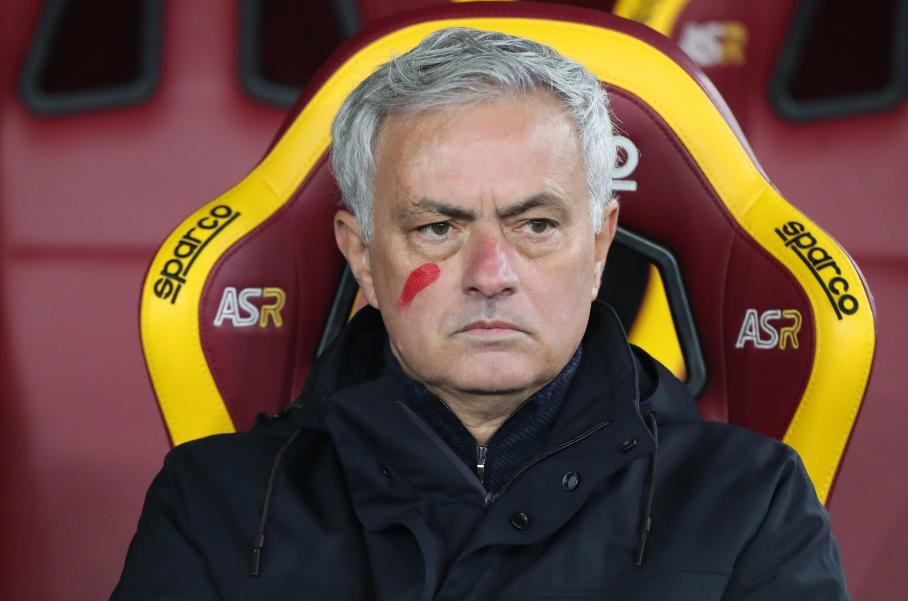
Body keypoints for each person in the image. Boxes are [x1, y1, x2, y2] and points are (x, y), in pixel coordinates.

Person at [111, 28, 850, 600]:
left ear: (598, 246)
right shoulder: (211, 504)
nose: (490, 275)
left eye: (536, 226)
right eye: (440, 227)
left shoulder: (753, 503)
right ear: (362, 253)